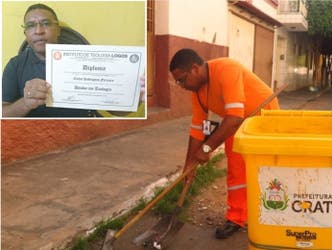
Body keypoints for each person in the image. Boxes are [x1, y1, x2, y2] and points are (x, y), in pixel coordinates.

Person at [168, 48, 280, 239]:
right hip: (235, 121)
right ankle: (236, 218)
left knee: (263, 170)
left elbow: (234, 117)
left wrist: (207, 148)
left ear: (194, 69)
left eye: (181, 80)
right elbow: (197, 129)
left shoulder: (227, 68)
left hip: (263, 117)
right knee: (236, 169)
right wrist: (189, 165)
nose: (181, 85)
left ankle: (271, 213)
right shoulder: (197, 90)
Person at [2, 3, 144, 117]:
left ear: (58, 29)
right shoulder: (15, 65)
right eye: (31, 25)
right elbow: (3, 113)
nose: (38, 31)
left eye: (45, 23)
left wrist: (133, 98)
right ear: (25, 33)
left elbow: (119, 112)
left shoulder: (88, 60)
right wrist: (26, 103)